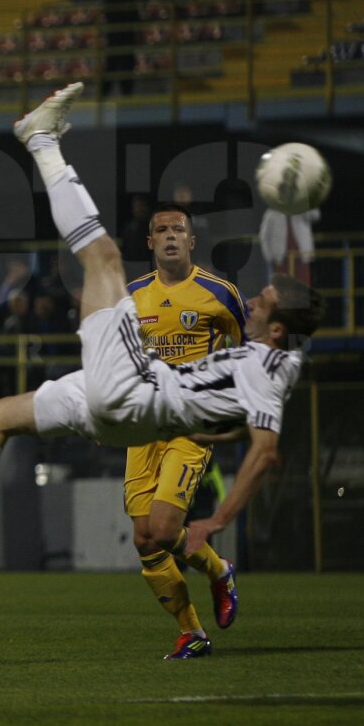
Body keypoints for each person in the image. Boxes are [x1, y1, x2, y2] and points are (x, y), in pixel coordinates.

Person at [0, 83, 324, 662]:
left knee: (102, 258)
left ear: (277, 329)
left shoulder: (265, 362)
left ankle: (40, 140)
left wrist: (215, 520)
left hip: (137, 396)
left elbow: (266, 452)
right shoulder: (268, 355)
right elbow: (237, 406)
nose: (253, 303)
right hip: (133, 407)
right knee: (2, 415)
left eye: (263, 302)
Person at [123, 203, 248, 658]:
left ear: (192, 241)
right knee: (144, 538)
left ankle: (217, 571)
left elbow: (247, 356)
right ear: (150, 242)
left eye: (179, 229)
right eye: (162, 229)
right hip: (143, 423)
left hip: (192, 425)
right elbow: (120, 360)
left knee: (163, 526)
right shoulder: (132, 294)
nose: (171, 234)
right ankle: (193, 631)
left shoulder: (221, 293)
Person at [101, 0, 139, 98]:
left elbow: (134, 11)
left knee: (125, 65)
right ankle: (105, 94)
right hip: (117, 33)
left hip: (125, 33)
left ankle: (124, 93)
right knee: (113, 65)